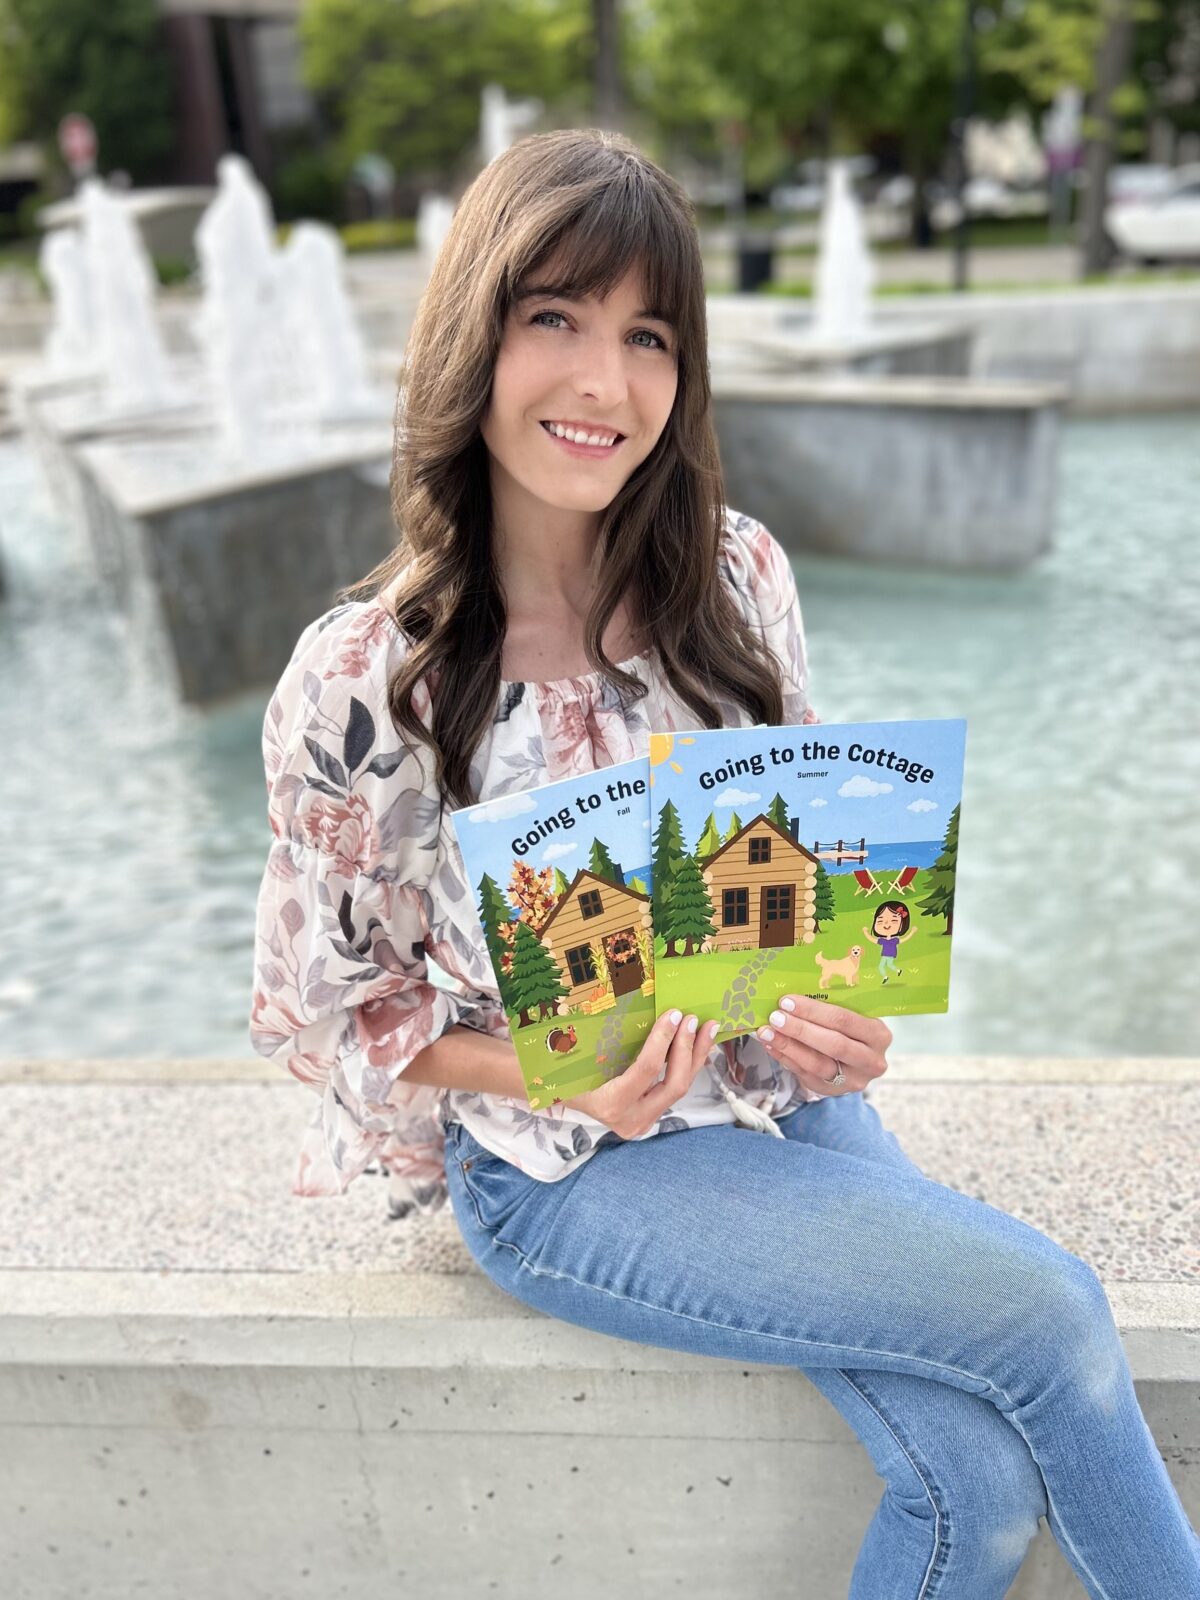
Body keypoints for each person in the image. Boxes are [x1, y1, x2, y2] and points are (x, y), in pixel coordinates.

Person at [249, 128, 1200, 1598]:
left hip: (763, 1089)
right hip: (565, 1167)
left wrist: (839, 1019)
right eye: (552, 318)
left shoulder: (736, 576)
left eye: (649, 335)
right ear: (472, 339)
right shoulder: (370, 674)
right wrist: (557, 1071)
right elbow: (333, 1012)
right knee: (1055, 1315)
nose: (604, 384)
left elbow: (810, 883)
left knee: (972, 1481)